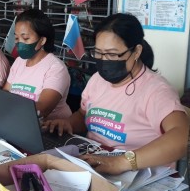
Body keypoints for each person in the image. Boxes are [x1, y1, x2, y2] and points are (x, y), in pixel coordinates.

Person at [42, 13, 188, 175]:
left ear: (136, 51)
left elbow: (180, 139)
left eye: (112, 54)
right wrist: (69, 123)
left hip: (138, 174)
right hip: (94, 161)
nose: (104, 60)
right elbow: (84, 114)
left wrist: (120, 163)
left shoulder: (156, 90)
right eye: (98, 53)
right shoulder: (97, 80)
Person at [0, 9, 72, 119]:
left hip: (50, 129)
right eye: (16, 38)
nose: (19, 43)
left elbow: (42, 109)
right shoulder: (20, 61)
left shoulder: (56, 68)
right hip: (16, 120)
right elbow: (6, 93)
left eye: (25, 38)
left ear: (42, 40)